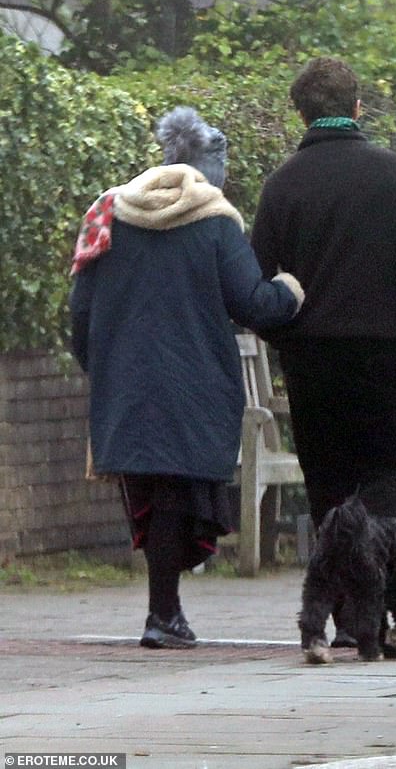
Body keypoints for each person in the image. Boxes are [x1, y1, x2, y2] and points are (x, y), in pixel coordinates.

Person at [69, 106, 304, 649]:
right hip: (193, 386)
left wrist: (98, 366)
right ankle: (162, 613)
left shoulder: (110, 213)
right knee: (179, 493)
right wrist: (292, 287)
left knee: (151, 492)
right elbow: (252, 304)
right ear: (208, 171)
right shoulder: (215, 223)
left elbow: (82, 309)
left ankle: (164, 611)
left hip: (124, 385)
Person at [251, 57, 396, 645]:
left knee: (330, 489)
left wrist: (288, 339)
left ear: (299, 113)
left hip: (312, 362)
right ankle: (392, 614)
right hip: (383, 355)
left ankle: (346, 622)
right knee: (385, 481)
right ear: (358, 108)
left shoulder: (282, 185)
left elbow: (258, 286)